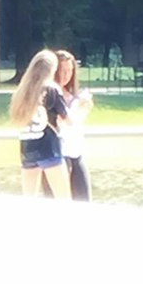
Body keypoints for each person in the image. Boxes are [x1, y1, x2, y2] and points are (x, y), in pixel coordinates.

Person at [9, 49, 70, 199]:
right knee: (64, 198)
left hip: (27, 150)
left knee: (29, 199)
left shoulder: (22, 91)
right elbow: (68, 120)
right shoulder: (51, 88)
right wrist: (82, 107)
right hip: (49, 148)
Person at [53, 50, 95, 200]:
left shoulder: (72, 96)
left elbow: (75, 124)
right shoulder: (50, 95)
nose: (65, 75)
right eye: (62, 71)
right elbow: (63, 122)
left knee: (84, 200)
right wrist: (78, 107)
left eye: (69, 71)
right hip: (58, 156)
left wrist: (85, 107)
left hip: (76, 152)